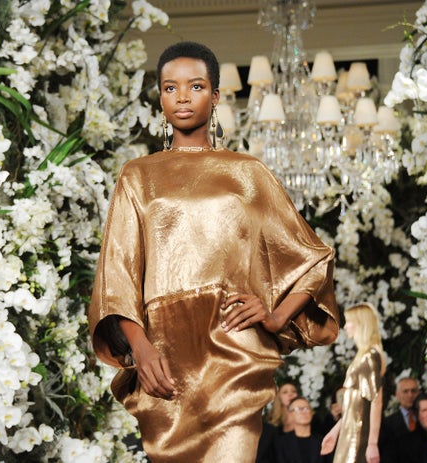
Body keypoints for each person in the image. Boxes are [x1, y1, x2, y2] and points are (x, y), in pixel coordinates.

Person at [88, 41, 339, 462]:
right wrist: (142, 349)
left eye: (196, 86)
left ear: (216, 96)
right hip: (164, 363)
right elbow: (117, 275)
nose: (182, 97)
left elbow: (313, 258)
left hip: (235, 355)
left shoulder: (248, 174)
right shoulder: (137, 176)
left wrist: (276, 317)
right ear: (160, 97)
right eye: (170, 88)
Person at [321, 303, 385, 463]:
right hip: (349, 434)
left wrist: (372, 443)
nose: (346, 326)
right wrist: (335, 432)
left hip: (358, 435)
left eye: (349, 321)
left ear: (360, 324)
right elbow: (354, 406)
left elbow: (376, 400)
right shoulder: (362, 357)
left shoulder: (369, 357)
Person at [273, 396, 330, 463]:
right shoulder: (280, 443)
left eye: (306, 408)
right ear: (290, 414)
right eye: (298, 409)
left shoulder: (323, 442)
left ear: (312, 413)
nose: (303, 412)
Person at [379, 376, 421, 463]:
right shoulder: (387, 424)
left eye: (413, 391)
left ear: (418, 393)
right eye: (405, 391)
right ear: (397, 394)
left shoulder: (426, 419)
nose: (410, 395)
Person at [257, 383, 299, 463]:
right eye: (285, 392)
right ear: (279, 397)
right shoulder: (268, 427)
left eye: (294, 391)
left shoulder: (311, 420)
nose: (290, 394)